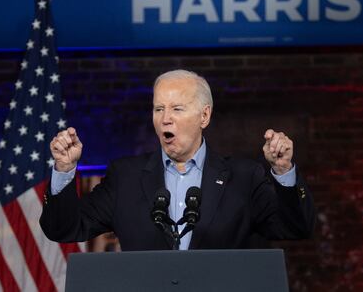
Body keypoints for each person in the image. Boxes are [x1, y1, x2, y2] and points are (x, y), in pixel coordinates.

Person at [40, 69, 315, 250]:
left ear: (204, 116)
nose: (165, 118)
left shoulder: (244, 177)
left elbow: (295, 227)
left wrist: (283, 171)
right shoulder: (126, 176)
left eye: (177, 108)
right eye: (158, 108)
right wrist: (64, 170)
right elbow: (63, 228)